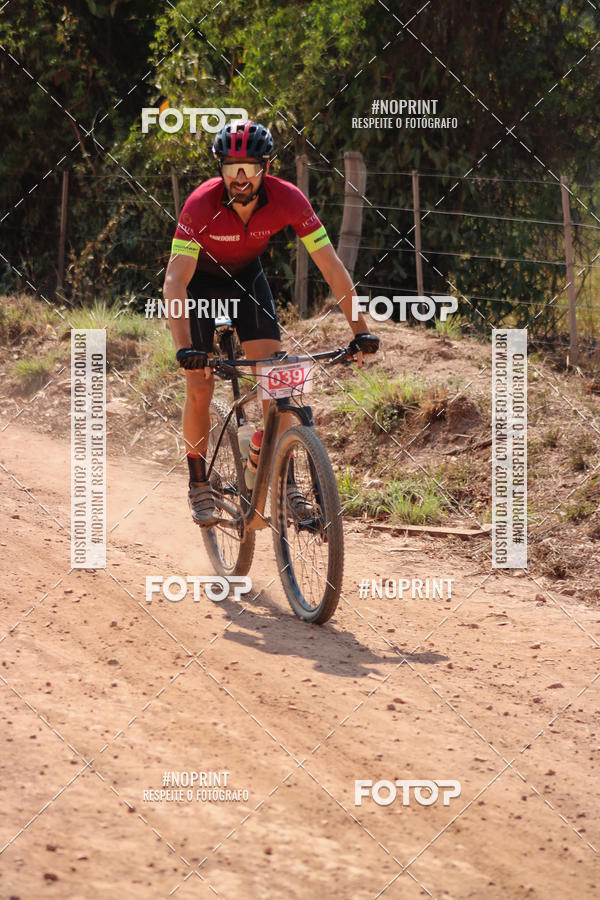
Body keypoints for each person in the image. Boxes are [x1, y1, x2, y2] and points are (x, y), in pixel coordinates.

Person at [163, 120, 379, 526]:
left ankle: (285, 484)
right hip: (201, 285)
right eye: (231, 168)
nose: (240, 178)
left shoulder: (289, 199)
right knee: (200, 385)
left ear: (267, 167)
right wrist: (184, 349)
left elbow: (331, 267)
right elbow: (175, 280)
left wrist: (360, 330)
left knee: (275, 378)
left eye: (249, 168)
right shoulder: (200, 205)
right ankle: (198, 483)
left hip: (247, 280)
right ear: (220, 169)